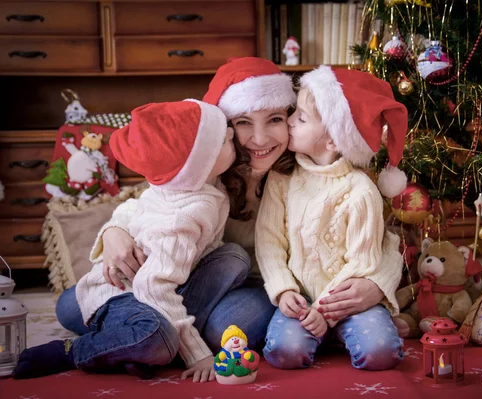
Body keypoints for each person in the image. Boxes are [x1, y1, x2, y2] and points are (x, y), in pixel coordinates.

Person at [54, 57, 403, 356]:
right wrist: (115, 230)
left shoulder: (314, 166)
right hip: (187, 277)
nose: (261, 139)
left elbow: (377, 235)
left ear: (292, 119)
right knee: (72, 305)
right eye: (243, 123)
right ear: (224, 126)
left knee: (228, 329)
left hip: (263, 287)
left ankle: (161, 331)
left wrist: (377, 282)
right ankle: (162, 326)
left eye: (275, 120)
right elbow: (153, 199)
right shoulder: (209, 164)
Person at [14, 100, 242, 382]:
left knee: (235, 257)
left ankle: (126, 352)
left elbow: (131, 207)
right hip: (124, 293)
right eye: (222, 139)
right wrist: (199, 354)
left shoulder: (189, 184)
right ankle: (72, 351)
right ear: (201, 163)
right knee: (157, 338)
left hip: (158, 284)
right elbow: (153, 288)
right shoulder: (182, 217)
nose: (232, 135)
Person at [257, 66, 408, 370]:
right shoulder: (281, 179)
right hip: (300, 298)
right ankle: (330, 335)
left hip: (347, 300)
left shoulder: (360, 191)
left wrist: (326, 312)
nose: (289, 121)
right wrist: (283, 289)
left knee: (381, 354)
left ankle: (338, 330)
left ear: (333, 142)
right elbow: (269, 240)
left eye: (300, 118)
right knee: (284, 353)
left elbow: (363, 262)